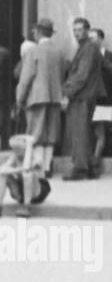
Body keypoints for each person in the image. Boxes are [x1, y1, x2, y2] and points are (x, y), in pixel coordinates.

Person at [15, 18, 67, 197]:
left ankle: (37, 170)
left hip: (36, 98)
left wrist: (19, 99)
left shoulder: (33, 51)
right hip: (55, 97)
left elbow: (26, 77)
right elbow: (62, 75)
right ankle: (46, 168)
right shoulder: (59, 52)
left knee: (35, 134)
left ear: (38, 32)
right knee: (50, 134)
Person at [62, 17, 105, 181]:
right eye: (75, 30)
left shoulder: (88, 48)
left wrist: (68, 93)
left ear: (87, 30)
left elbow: (82, 75)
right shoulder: (86, 48)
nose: (77, 33)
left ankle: (80, 169)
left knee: (79, 133)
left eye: (80, 30)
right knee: (83, 132)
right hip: (84, 95)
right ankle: (90, 167)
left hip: (82, 96)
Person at [89, 28, 112, 177]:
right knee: (93, 131)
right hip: (90, 100)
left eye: (93, 38)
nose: (90, 41)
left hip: (104, 100)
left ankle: (95, 162)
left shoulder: (110, 57)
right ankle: (92, 161)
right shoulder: (87, 56)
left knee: (100, 131)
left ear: (100, 39)